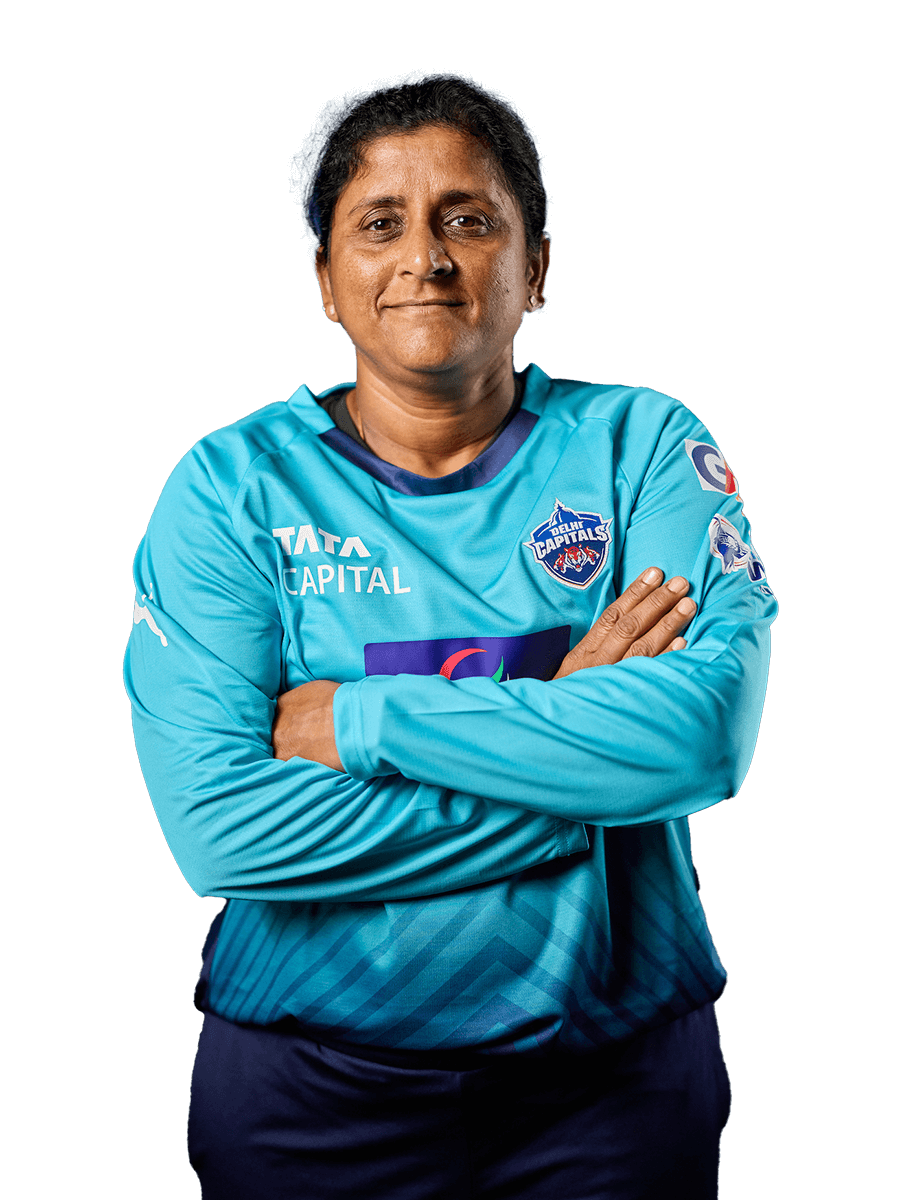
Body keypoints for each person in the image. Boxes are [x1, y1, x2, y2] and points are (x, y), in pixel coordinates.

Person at [124, 71, 776, 1199]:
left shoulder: (642, 449)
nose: (425, 258)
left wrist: (361, 721)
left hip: (613, 1090)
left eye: (468, 221)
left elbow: (702, 739)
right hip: (306, 1093)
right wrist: (575, 767)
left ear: (538, 267)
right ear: (326, 281)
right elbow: (222, 833)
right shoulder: (230, 489)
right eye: (380, 224)